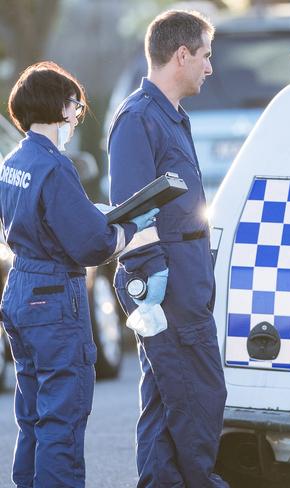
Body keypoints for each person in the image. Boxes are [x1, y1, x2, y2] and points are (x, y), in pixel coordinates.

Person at [0, 62, 157, 488]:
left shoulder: (15, 159)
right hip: (53, 296)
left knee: (32, 412)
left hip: (21, 287)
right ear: (58, 107)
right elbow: (91, 245)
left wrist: (92, 218)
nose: (77, 113)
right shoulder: (55, 166)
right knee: (62, 418)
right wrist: (129, 229)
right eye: (75, 104)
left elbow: (43, 219)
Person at [107, 9, 229, 488]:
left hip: (186, 276)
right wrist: (149, 277)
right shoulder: (138, 120)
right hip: (166, 285)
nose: (210, 67)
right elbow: (133, 209)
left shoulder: (172, 116)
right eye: (205, 55)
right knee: (198, 397)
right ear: (182, 55)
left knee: (166, 398)